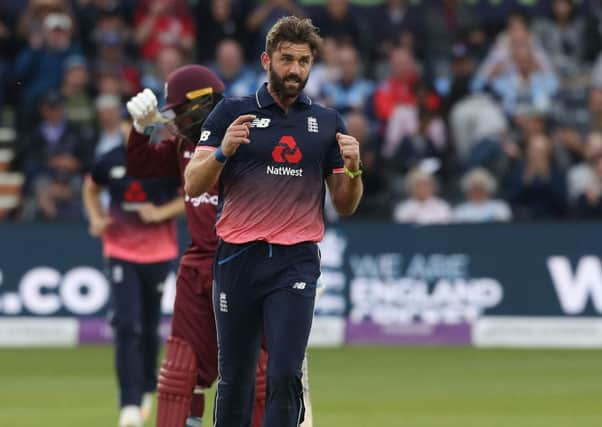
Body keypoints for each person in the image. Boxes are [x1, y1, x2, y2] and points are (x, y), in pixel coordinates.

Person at [184, 16, 363, 427]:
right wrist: (223, 151)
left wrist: (353, 170)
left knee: (284, 374)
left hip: (295, 262)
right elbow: (194, 183)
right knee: (236, 381)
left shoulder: (327, 123)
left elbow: (346, 204)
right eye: (287, 59)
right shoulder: (231, 112)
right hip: (237, 261)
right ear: (267, 60)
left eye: (303, 61)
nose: (295, 70)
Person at [124, 65, 268, 427]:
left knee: (260, 375)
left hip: (245, 262)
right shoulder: (185, 145)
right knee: (180, 372)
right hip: (198, 264)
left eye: (180, 112)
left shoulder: (248, 136)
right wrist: (140, 130)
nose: (174, 121)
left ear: (203, 104)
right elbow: (141, 166)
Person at [82, 121, 184, 427]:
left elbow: (190, 194)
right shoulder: (110, 159)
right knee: (126, 324)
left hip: (158, 253)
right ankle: (128, 402)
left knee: (150, 327)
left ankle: (147, 386)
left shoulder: (164, 159)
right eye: (132, 124)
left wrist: (160, 213)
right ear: (125, 125)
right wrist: (96, 219)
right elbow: (90, 188)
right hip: (120, 252)